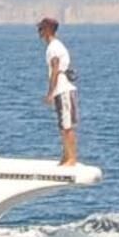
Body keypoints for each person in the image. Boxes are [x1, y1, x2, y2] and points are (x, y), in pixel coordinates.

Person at [38, 17, 78, 165]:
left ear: (48, 30)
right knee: (63, 125)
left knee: (67, 126)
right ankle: (66, 156)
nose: (39, 32)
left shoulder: (54, 47)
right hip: (61, 90)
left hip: (63, 89)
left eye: (42, 29)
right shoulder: (54, 46)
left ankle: (71, 158)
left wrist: (50, 92)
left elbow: (55, 68)